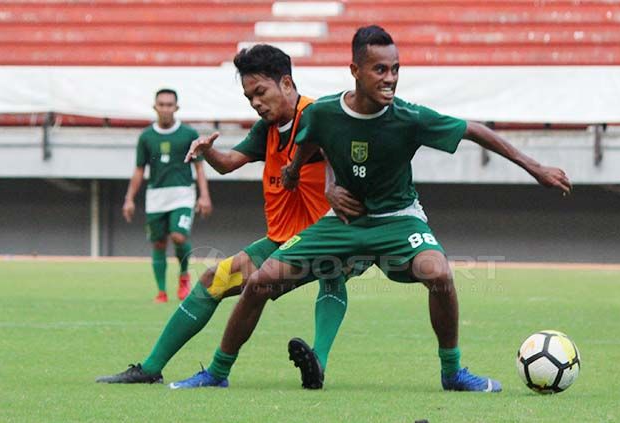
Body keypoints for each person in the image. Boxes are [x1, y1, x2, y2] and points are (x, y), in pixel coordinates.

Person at [170, 25, 572, 392]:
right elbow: (314, 140)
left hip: (398, 220)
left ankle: (452, 372)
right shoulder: (326, 112)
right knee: (258, 283)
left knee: (440, 274)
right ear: (355, 70)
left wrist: (535, 168)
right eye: (380, 69)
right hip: (342, 223)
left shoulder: (408, 117)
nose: (391, 78)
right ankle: (217, 373)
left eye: (395, 69)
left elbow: (474, 130)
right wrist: (301, 173)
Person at [97, 45, 366, 389]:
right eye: (248, 96)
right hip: (283, 238)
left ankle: (308, 364)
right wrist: (208, 152)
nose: (255, 102)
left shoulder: (319, 115)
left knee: (330, 271)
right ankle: (150, 367)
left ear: (286, 83)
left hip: (329, 234)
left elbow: (342, 157)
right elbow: (228, 164)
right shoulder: (266, 128)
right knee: (213, 280)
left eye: (260, 92)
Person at [122, 88, 212, 303]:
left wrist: (204, 195)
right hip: (156, 197)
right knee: (159, 243)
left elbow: (199, 167)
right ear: (155, 107)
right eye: (161, 105)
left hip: (182, 194)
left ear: (176, 108)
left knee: (179, 236)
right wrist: (129, 198)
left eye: (169, 105)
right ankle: (161, 292)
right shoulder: (146, 137)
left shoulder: (188, 134)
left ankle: (184, 276)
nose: (165, 109)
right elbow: (139, 169)